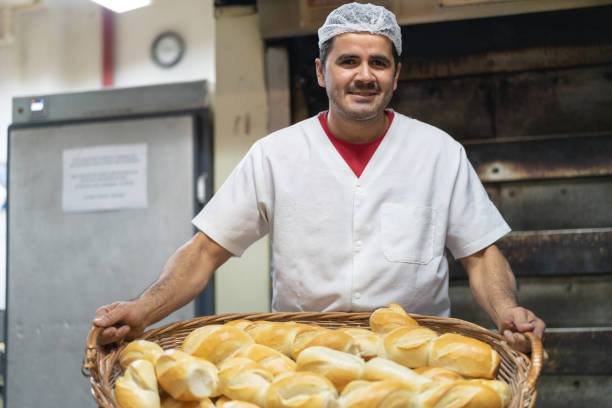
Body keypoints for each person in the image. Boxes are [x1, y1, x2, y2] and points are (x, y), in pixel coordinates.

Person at [94, 2, 545, 352]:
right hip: (304, 359)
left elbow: (481, 256)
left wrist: (506, 311)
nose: (364, 76)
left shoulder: (439, 153)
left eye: (379, 63)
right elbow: (205, 251)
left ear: (396, 74)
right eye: (348, 61)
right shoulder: (276, 155)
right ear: (320, 70)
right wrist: (142, 309)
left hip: (413, 357)